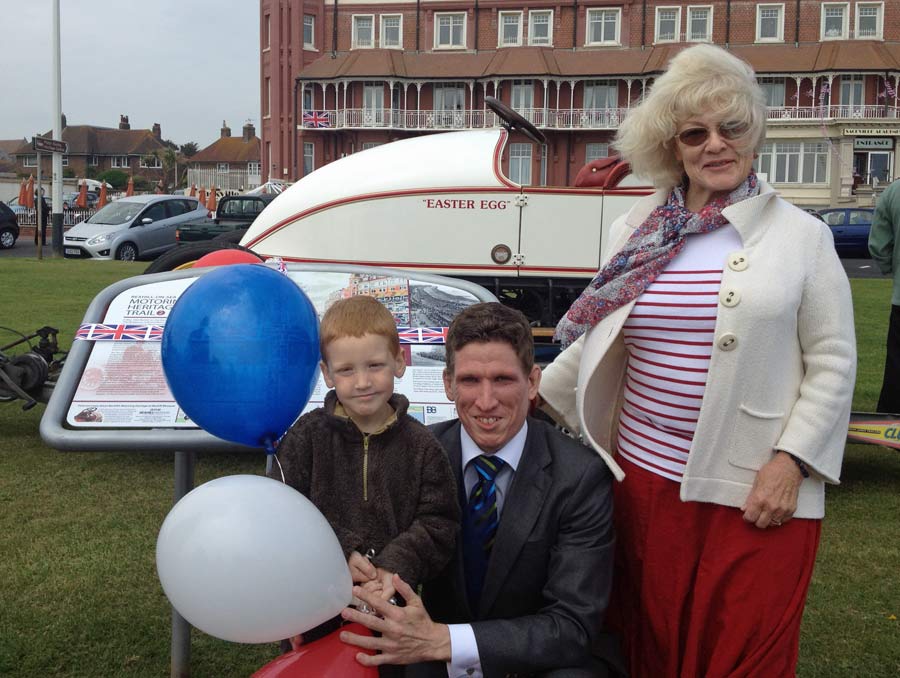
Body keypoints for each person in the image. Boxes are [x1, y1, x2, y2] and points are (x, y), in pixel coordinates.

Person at [540, 43, 856, 677]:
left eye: (731, 127)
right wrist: (535, 391)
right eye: (695, 132)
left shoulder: (802, 236)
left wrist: (792, 461)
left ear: (755, 133)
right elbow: (605, 333)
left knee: (744, 650)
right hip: (643, 477)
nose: (715, 144)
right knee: (652, 641)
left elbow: (834, 361)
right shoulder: (636, 229)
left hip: (754, 488)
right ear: (672, 147)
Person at [342, 302, 623, 677]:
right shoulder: (412, 453)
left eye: (503, 380)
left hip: (540, 662)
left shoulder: (580, 476)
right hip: (434, 651)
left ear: (533, 382)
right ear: (448, 384)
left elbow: (572, 626)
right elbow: (371, 549)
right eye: (471, 380)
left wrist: (446, 641)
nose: (486, 402)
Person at [270, 295, 459, 652]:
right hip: (313, 608)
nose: (362, 382)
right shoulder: (305, 437)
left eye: (374, 365)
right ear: (326, 373)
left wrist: (393, 566)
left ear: (399, 361)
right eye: (346, 370)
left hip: (392, 611)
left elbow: (439, 522)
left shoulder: (423, 445)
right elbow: (282, 511)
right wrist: (340, 551)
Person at [868, 177, 900, 414]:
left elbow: (878, 245)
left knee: (897, 367)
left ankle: (890, 422)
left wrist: (892, 269)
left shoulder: (893, 192)